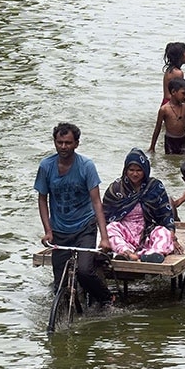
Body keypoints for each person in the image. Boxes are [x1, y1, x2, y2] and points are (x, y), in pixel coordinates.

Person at [34, 122, 114, 305]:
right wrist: (48, 230)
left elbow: (96, 202)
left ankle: (107, 299)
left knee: (85, 271)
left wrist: (104, 237)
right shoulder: (46, 166)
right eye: (60, 142)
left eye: (68, 143)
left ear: (76, 144)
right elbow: (42, 199)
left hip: (84, 227)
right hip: (60, 230)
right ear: (55, 142)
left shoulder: (86, 166)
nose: (63, 147)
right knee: (59, 286)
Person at [102, 149, 178, 263]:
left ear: (145, 170)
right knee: (110, 229)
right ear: (125, 170)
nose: (135, 174)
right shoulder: (116, 188)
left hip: (147, 230)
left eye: (139, 170)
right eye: (131, 170)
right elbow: (105, 216)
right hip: (125, 231)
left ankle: (152, 254)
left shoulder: (155, 186)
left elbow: (165, 213)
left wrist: (172, 235)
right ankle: (126, 253)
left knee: (163, 233)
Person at [150, 78, 185, 155]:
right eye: (183, 93)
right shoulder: (164, 109)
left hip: (182, 139)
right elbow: (157, 128)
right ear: (173, 92)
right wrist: (152, 147)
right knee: (170, 160)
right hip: (170, 141)